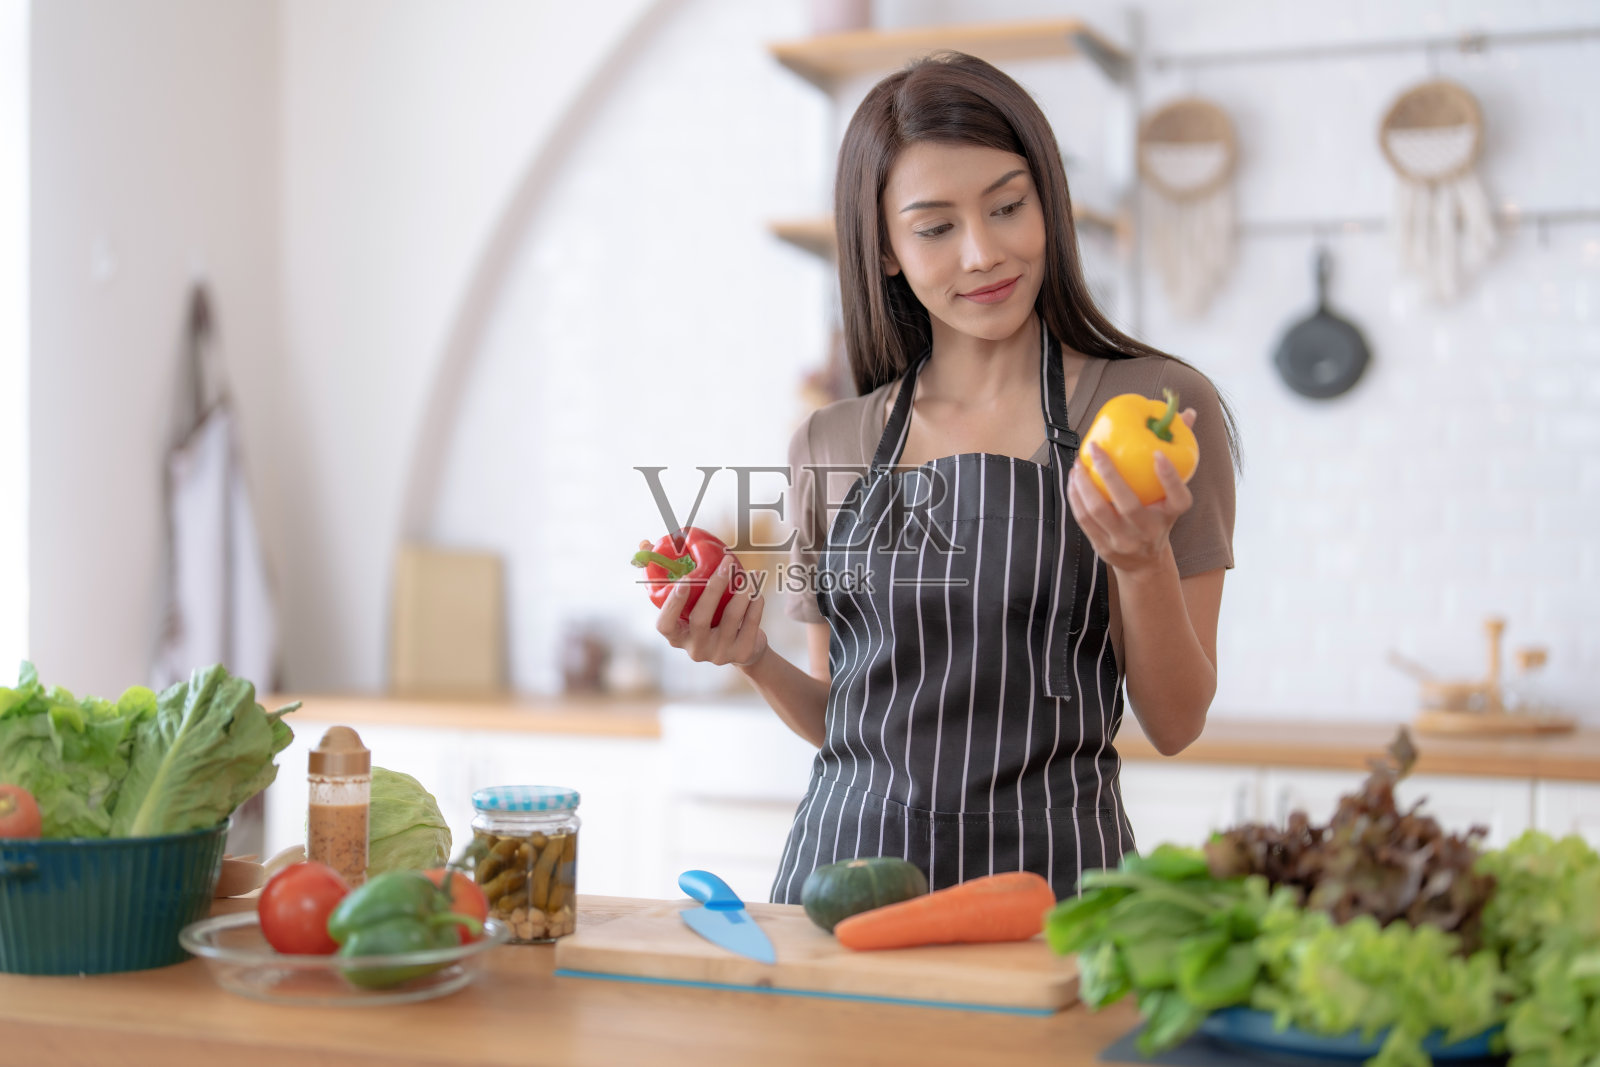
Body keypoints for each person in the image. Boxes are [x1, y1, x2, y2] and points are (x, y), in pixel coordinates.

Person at [647, 52, 1239, 903]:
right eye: (934, 227)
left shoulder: (1154, 406)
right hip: (843, 888)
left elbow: (1177, 722)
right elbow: (847, 728)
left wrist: (1139, 561)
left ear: (1047, 203)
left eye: (1007, 206)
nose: (983, 251)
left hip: (1054, 891)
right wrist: (755, 660)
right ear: (885, 250)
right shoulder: (830, 440)